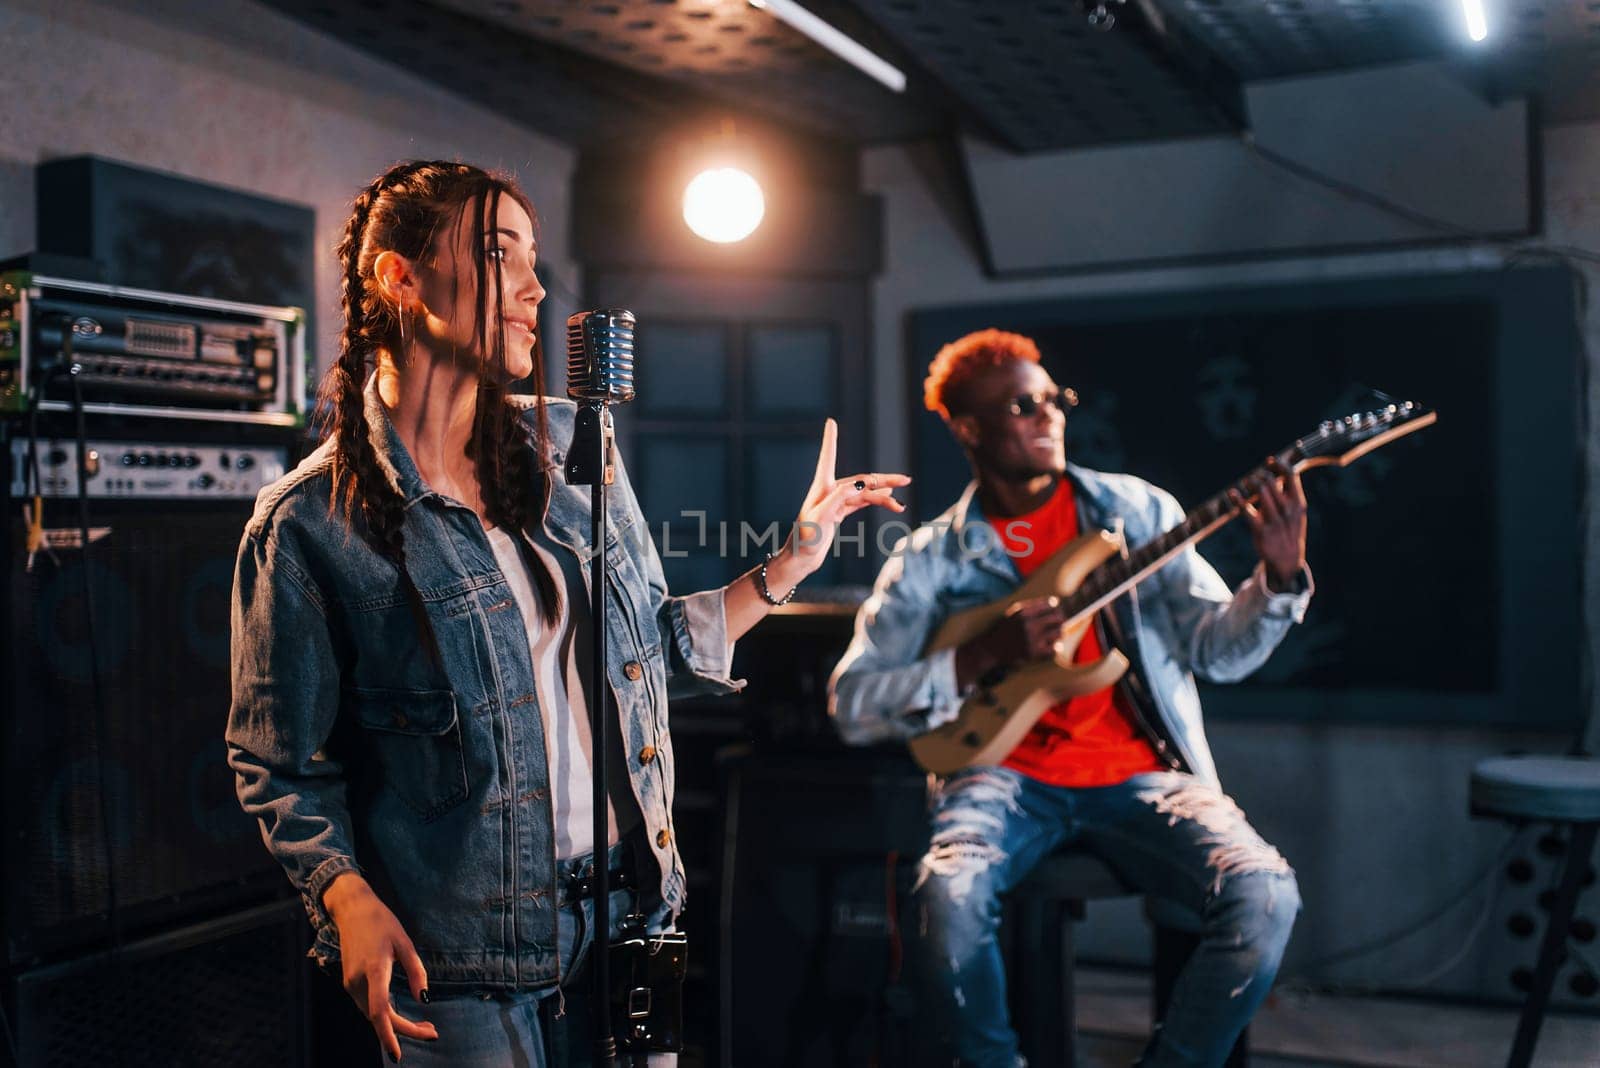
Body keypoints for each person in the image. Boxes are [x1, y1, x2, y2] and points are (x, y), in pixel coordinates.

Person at [226, 159, 908, 1066]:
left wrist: (793, 560)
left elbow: (644, 661)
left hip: (630, 915)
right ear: (399, 276)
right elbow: (278, 764)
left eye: (536, 258)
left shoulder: (570, 451)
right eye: (503, 253)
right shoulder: (309, 524)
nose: (536, 288)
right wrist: (345, 897)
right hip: (461, 963)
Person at [828, 328, 1313, 1067]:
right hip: (998, 776)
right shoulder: (930, 558)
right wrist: (981, 657)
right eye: (1023, 405)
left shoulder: (1139, 513)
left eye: (1055, 399)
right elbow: (854, 703)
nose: (1048, 415)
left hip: (1147, 773)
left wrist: (1275, 581)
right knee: (946, 899)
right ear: (968, 428)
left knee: (1266, 894)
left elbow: (1218, 651)